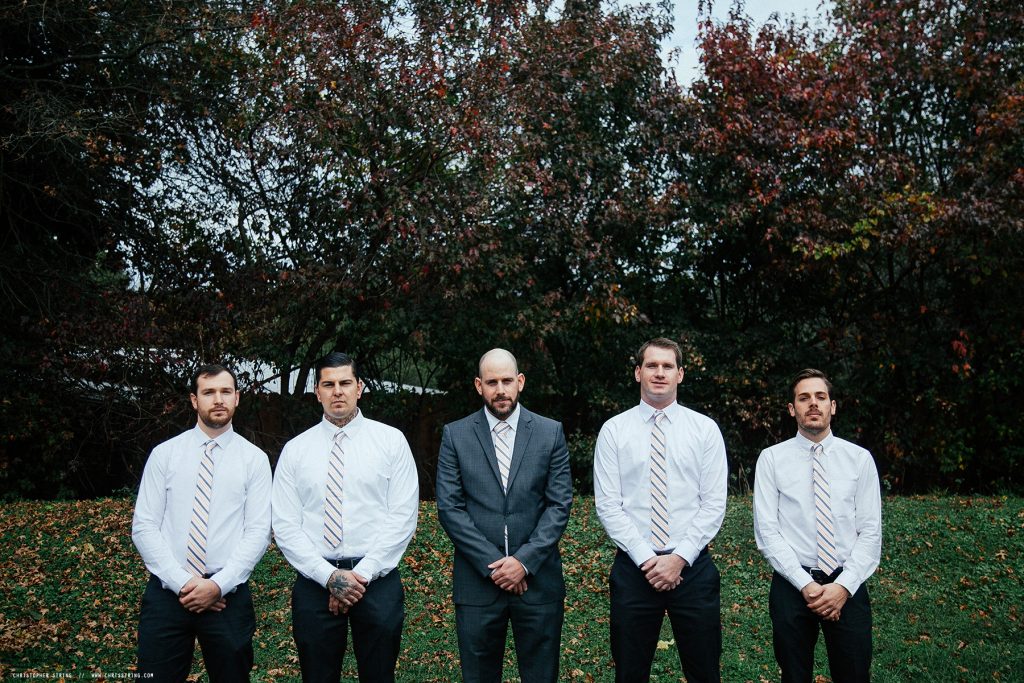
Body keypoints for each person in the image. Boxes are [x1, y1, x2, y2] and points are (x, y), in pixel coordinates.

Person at [272, 352, 418, 683]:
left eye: (345, 383)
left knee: (379, 675)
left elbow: (403, 516)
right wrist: (329, 577)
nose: (337, 391)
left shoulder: (391, 442)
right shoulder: (296, 450)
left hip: (377, 581)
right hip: (314, 581)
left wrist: (359, 576)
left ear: (360, 387)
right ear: (317, 391)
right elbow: (284, 524)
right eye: (329, 384)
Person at [593, 337, 728, 683]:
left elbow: (713, 504)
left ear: (680, 374)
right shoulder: (614, 431)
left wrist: (679, 558)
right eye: (651, 365)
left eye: (668, 366)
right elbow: (609, 505)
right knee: (629, 673)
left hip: (692, 568)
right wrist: (647, 559)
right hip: (634, 569)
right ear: (638, 373)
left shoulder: (704, 430)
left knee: (705, 672)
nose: (659, 373)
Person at [436, 348, 573, 683]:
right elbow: (450, 508)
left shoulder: (549, 432)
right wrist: (496, 566)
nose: (500, 389)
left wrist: (523, 562)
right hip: (477, 584)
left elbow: (559, 504)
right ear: (478, 385)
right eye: (492, 382)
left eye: (507, 380)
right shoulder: (456, 435)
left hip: (538, 582)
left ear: (520, 382)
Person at [132, 363, 272, 683]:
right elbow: (144, 526)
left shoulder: (254, 460)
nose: (218, 399)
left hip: (227, 597)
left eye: (225, 392)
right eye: (209, 392)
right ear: (195, 401)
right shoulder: (164, 455)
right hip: (168, 595)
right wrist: (184, 583)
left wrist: (217, 585)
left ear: (237, 398)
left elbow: (258, 531)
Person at [753, 368, 881, 683]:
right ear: (791, 408)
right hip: (792, 583)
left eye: (820, 397)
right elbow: (767, 532)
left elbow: (870, 532)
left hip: (847, 585)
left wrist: (843, 586)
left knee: (854, 673)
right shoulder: (771, 459)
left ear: (832, 406)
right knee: (794, 676)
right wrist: (806, 585)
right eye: (804, 398)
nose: (813, 404)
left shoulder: (859, 459)